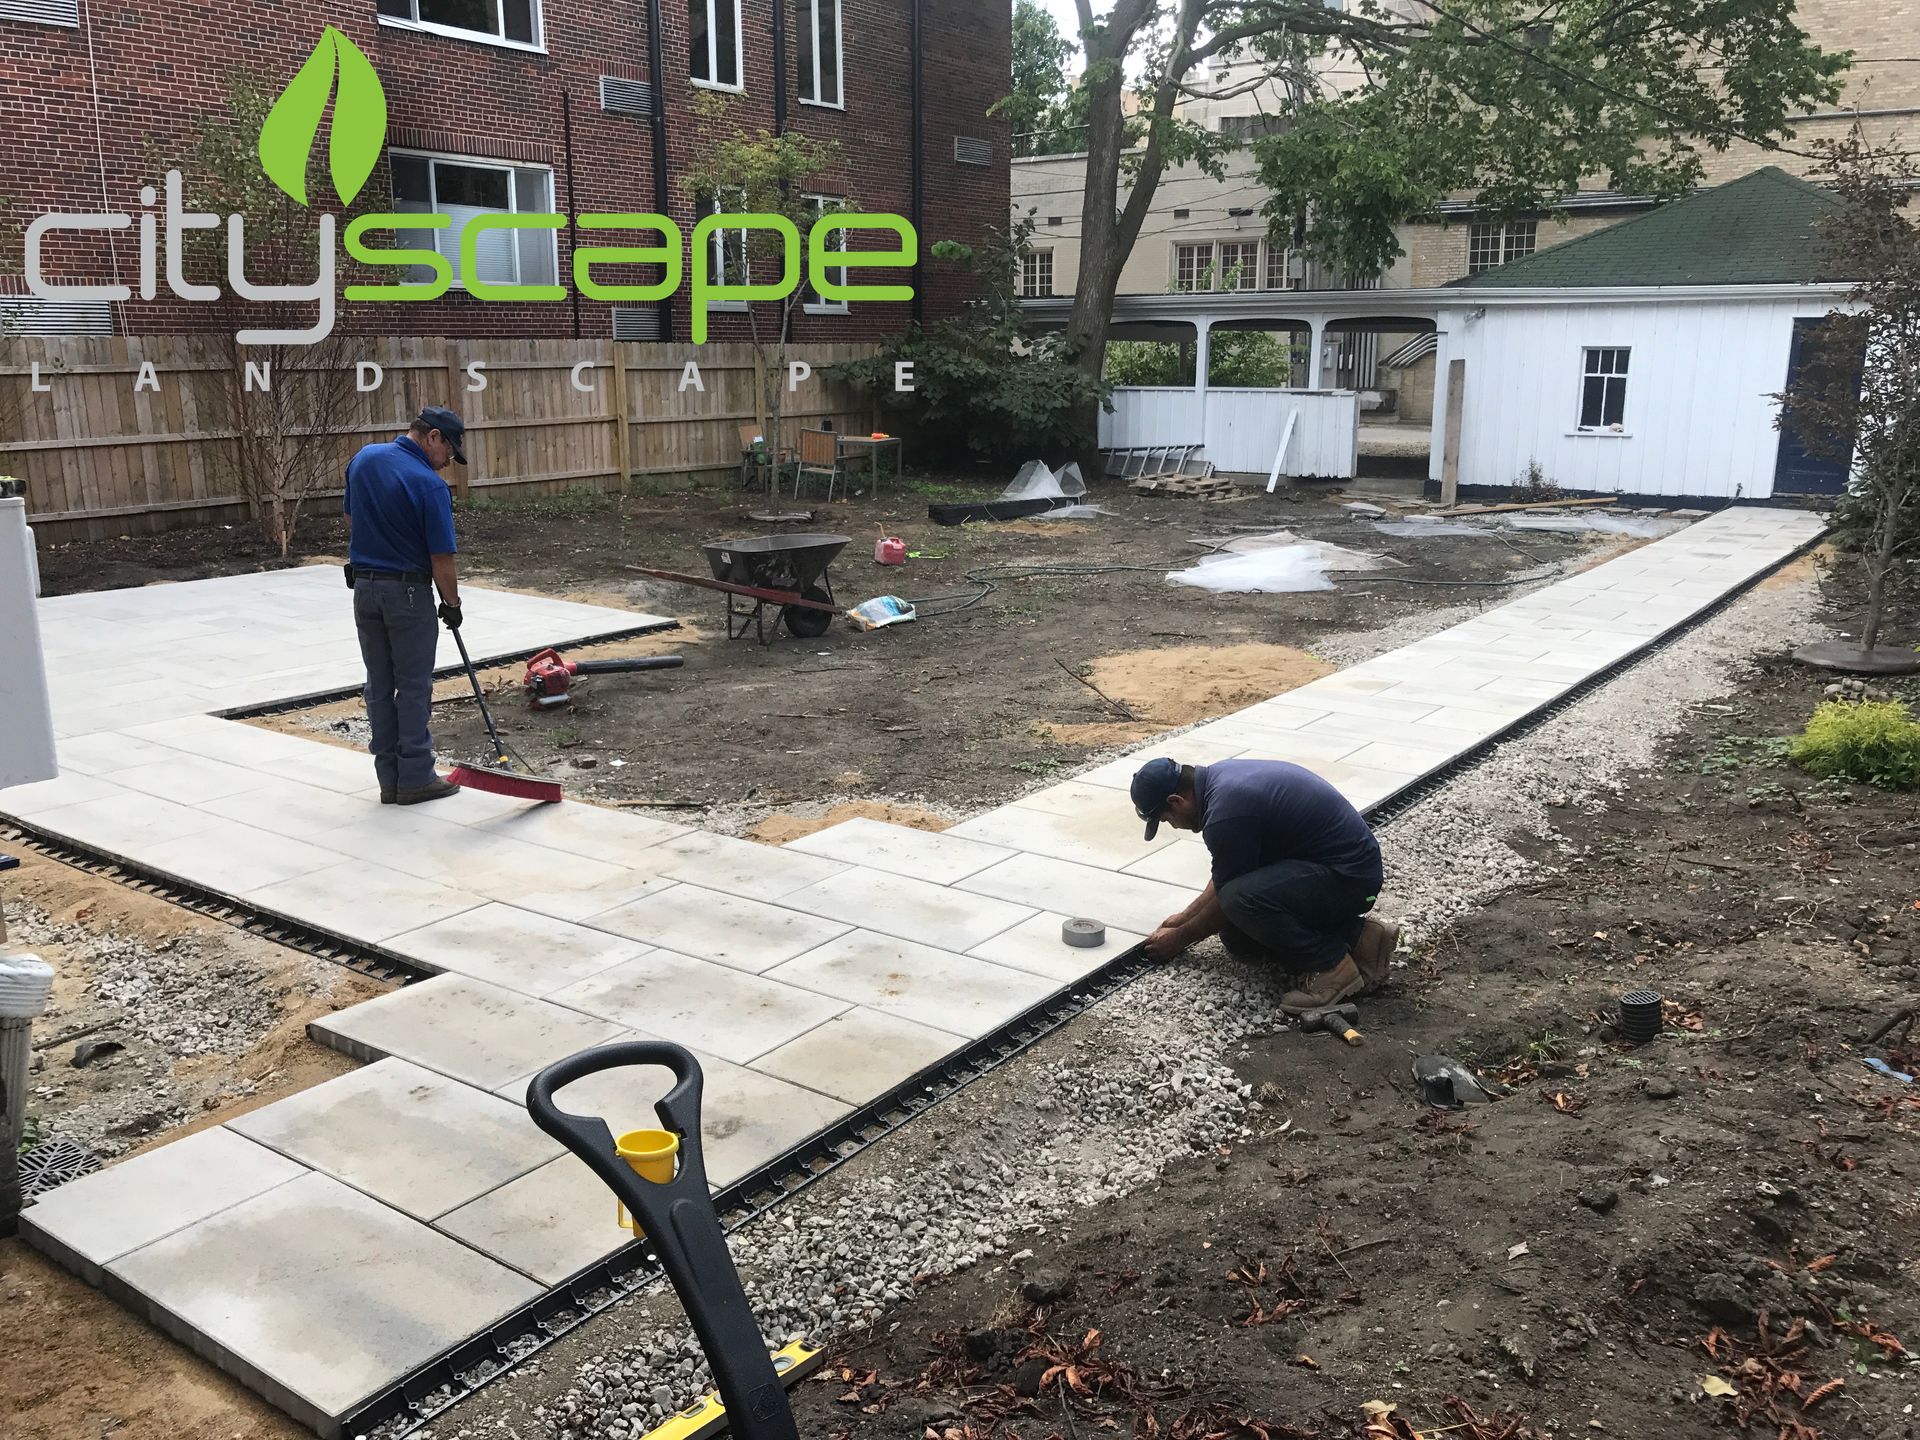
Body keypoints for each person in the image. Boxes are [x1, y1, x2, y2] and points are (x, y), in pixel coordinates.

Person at [1131, 756, 1397, 1013]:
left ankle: (1332, 968)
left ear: (1176, 801)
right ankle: (1362, 938)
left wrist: (1180, 938)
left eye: (1166, 820)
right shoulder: (1219, 780)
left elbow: (1229, 898)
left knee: (1240, 903)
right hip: (1336, 870)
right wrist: (1184, 917)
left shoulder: (1225, 813)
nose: (1174, 826)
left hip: (1350, 881)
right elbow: (1227, 875)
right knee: (1239, 937)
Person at [343, 406, 466, 806]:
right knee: (413, 685)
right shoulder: (429, 486)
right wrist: (452, 603)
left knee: (379, 684)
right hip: (408, 594)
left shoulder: (364, 459)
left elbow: (351, 517)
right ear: (432, 437)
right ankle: (415, 777)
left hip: (364, 589)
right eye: (448, 451)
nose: (448, 462)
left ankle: (389, 779)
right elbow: (441, 559)